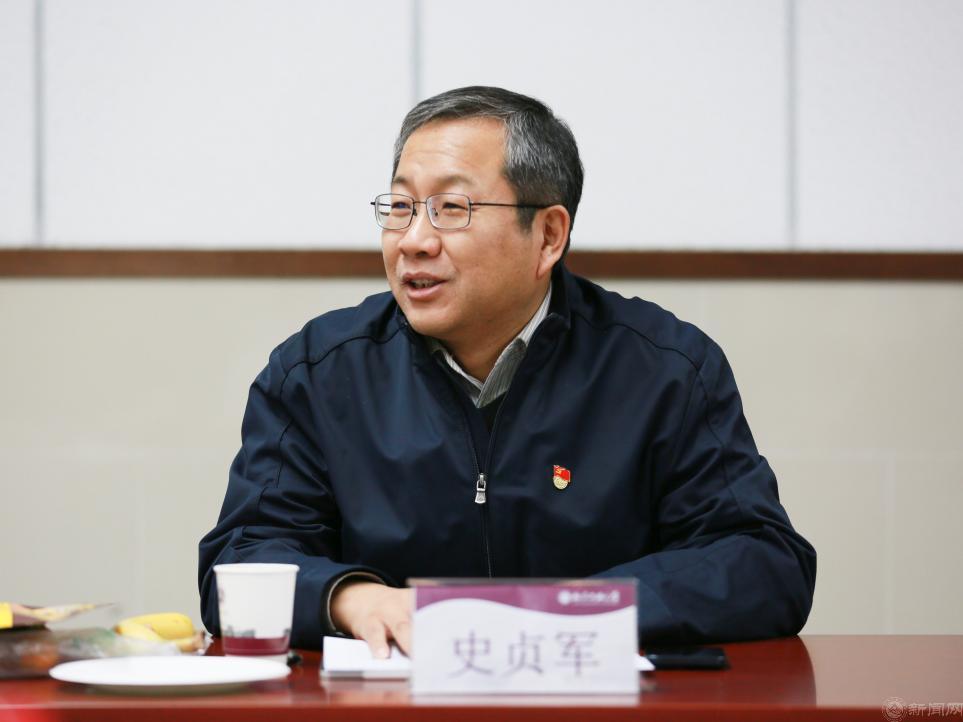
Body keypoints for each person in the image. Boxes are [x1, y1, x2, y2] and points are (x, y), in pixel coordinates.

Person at [198, 86, 816, 657]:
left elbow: (762, 562)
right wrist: (352, 600)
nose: (413, 240)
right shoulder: (317, 374)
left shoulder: (664, 371)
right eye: (401, 206)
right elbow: (240, 560)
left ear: (548, 235)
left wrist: (568, 612)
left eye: (452, 208)